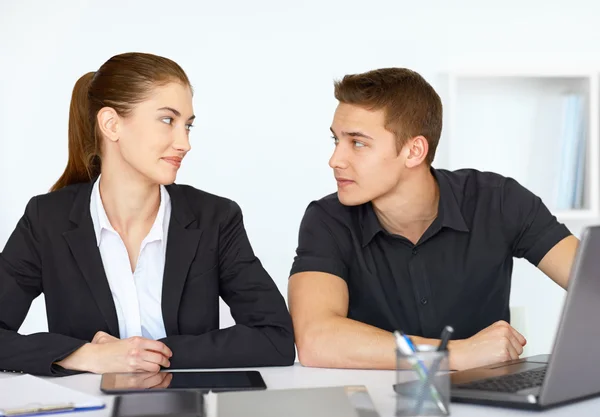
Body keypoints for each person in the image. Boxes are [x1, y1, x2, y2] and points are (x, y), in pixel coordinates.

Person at [0, 52, 295, 376]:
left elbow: (275, 338)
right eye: (168, 120)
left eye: (188, 126)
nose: (184, 143)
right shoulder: (47, 220)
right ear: (111, 124)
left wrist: (147, 356)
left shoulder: (216, 218)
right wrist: (83, 356)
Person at [288, 67, 579, 371]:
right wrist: (453, 354)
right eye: (336, 140)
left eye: (357, 143)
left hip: (491, 406)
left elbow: (590, 285)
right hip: (379, 404)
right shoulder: (327, 220)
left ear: (414, 151)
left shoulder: (499, 201)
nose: (335, 160)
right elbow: (316, 339)